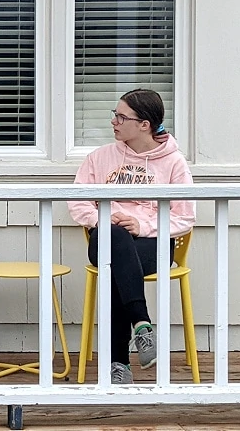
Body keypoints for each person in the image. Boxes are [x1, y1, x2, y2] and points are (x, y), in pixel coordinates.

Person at [68, 88, 195, 384]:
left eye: (121, 116)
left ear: (144, 125)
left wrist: (142, 225)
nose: (114, 121)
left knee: (116, 267)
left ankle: (119, 364)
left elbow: (185, 216)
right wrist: (104, 218)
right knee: (114, 237)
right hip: (104, 239)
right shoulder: (99, 158)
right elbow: (76, 201)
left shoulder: (173, 163)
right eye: (115, 114)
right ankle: (142, 324)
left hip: (152, 246)